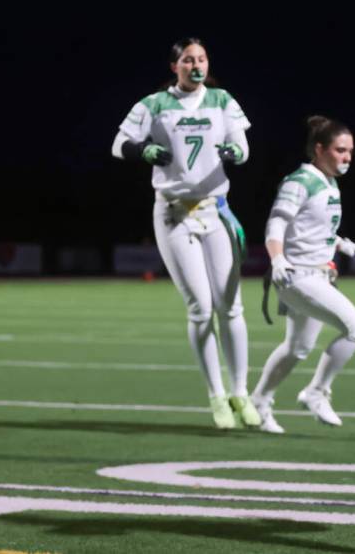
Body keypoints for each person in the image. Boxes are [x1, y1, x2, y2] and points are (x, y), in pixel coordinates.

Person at [111, 37, 261, 430]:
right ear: (174, 66)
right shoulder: (154, 104)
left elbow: (243, 145)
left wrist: (234, 153)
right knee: (201, 308)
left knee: (231, 307)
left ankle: (240, 391)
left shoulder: (222, 99)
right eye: (188, 59)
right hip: (174, 214)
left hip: (216, 210)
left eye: (202, 58)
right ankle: (216, 395)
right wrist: (141, 151)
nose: (196, 65)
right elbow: (118, 144)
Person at [251, 115, 355, 434]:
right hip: (297, 277)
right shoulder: (301, 181)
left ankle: (259, 401)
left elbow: (312, 229)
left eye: (349, 151)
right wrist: (277, 259)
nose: (347, 157)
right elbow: (276, 224)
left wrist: (344, 246)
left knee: (297, 349)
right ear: (319, 149)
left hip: (317, 275)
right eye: (340, 150)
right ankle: (317, 391)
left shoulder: (327, 182)